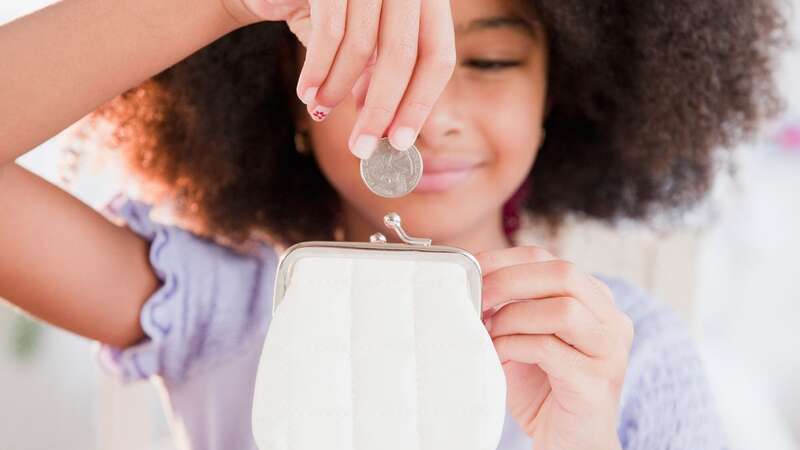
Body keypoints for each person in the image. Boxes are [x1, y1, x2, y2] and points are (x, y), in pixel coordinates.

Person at [0, 0, 786, 449]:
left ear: (558, 99)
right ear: (292, 107)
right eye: (369, 69)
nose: (429, 115)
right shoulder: (221, 304)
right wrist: (228, 3)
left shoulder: (630, 353)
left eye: (491, 62)